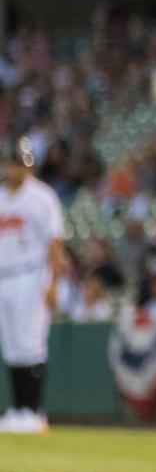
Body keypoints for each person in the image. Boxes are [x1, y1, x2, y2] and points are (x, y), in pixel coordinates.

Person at [0, 138, 69, 434]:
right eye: (16, 163)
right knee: (12, 346)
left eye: (24, 163)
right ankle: (17, 410)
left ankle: (33, 411)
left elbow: (55, 243)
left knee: (30, 344)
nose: (20, 169)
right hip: (4, 274)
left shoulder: (43, 197)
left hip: (31, 273)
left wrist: (54, 283)